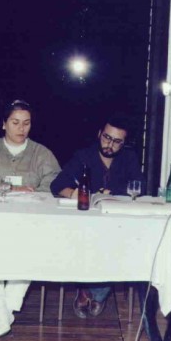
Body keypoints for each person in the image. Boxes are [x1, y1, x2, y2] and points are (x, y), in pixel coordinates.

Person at [0, 99, 61, 337]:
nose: (21, 128)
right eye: (15, 122)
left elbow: (54, 183)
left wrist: (35, 193)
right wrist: (10, 189)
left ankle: (2, 313)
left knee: (29, 250)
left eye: (26, 123)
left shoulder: (42, 153)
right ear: (4, 124)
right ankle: (3, 312)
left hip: (28, 221)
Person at [50, 113, 142, 319]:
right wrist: (75, 193)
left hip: (117, 224)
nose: (110, 145)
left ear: (124, 143)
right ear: (99, 134)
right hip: (85, 224)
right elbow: (57, 185)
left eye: (117, 141)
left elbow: (139, 188)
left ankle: (91, 292)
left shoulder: (129, 159)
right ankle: (91, 290)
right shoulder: (84, 156)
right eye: (107, 138)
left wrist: (115, 194)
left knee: (118, 244)